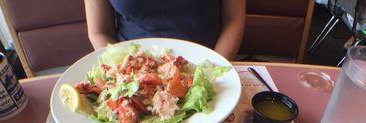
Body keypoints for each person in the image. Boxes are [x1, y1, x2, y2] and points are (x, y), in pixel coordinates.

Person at [84, 0, 246, 60]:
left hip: (205, 63)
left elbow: (233, 19)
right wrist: (125, 72)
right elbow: (100, 32)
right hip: (132, 68)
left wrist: (214, 69)